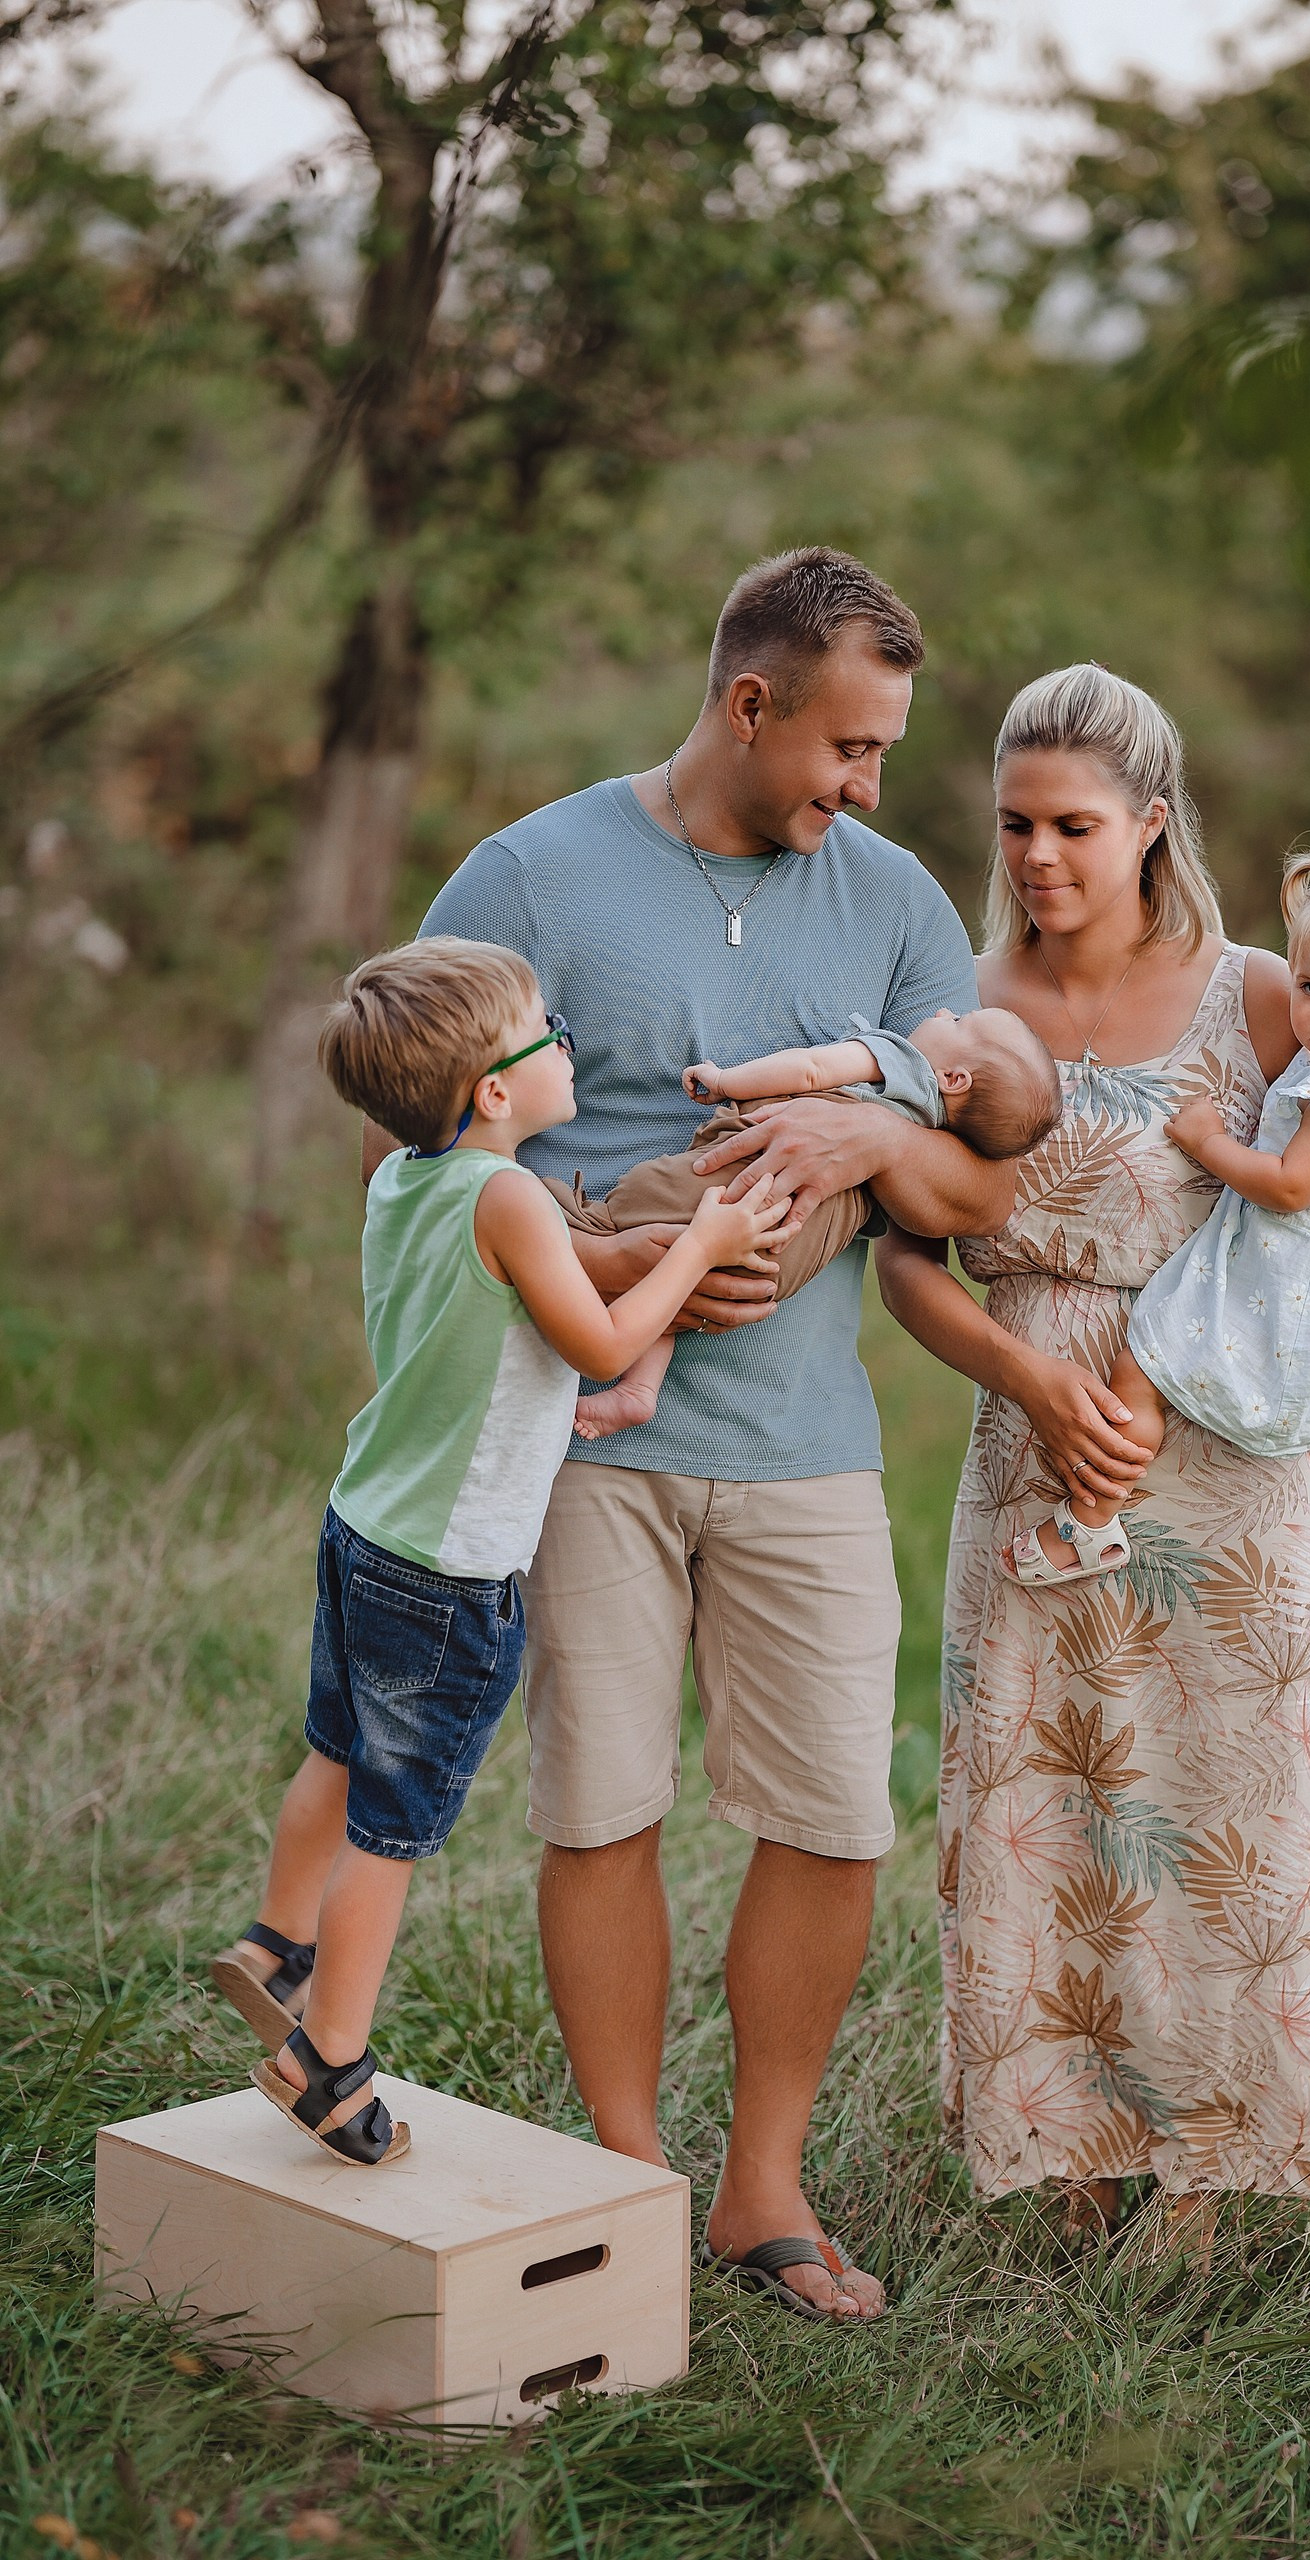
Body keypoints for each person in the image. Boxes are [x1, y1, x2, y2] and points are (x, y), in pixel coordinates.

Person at [404, 549, 1013, 2318]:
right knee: (601, 1809)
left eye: (884, 751)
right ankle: (624, 2176)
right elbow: (413, 1159)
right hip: (584, 1443)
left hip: (805, 1448)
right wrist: (617, 1262)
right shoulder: (531, 876)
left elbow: (980, 1175)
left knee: (831, 1819)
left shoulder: (893, 902)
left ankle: (761, 2189)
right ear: (749, 704)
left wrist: (871, 1138)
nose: (868, 787)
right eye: (846, 747)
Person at [878, 664, 1310, 2255]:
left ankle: (1212, 2170)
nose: (1037, 855)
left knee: (1242, 1815)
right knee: (1051, 1804)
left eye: (1073, 825)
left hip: (1244, 1462)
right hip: (1042, 1456)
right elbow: (901, 1262)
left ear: (1151, 824)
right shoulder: (953, 1002)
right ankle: (1070, 2146)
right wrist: (1030, 1380)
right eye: (1013, 824)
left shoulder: (1272, 996)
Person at [213, 938, 786, 2163]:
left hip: (365, 1523)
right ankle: (327, 2060)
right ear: (493, 1090)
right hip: (448, 1567)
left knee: (335, 1749)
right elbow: (597, 1339)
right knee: (391, 1830)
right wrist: (700, 1245)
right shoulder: (509, 1198)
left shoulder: (401, 1179)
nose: (568, 1045)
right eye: (548, 1031)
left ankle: (273, 1940)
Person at [1006, 841, 1310, 1582]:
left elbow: (1290, 1186)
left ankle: (1093, 1521)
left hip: (1291, 1265)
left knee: (1146, 1358)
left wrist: (1209, 1142)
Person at [573, 1005, 1061, 1437]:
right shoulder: (929, 1132)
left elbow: (809, 1070)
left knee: (618, 1219)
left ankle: (570, 1267)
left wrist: (725, 1081)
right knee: (676, 1280)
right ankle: (640, 1389)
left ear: (953, 1079)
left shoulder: (902, 1062)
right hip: (782, 1259)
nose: (941, 1012)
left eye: (958, 1021)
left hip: (750, 1193)